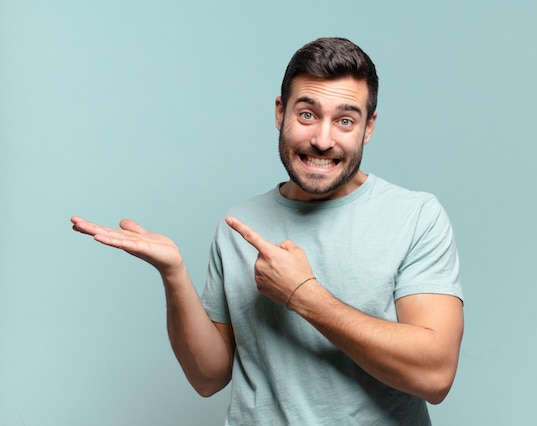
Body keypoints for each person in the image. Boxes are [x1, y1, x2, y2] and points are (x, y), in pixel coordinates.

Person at [71, 37, 464, 425]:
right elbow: (208, 378)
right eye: (307, 114)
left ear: (368, 127)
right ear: (281, 113)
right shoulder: (239, 225)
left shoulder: (416, 217)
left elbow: (434, 376)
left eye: (345, 121)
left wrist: (303, 295)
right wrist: (174, 274)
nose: (322, 140)